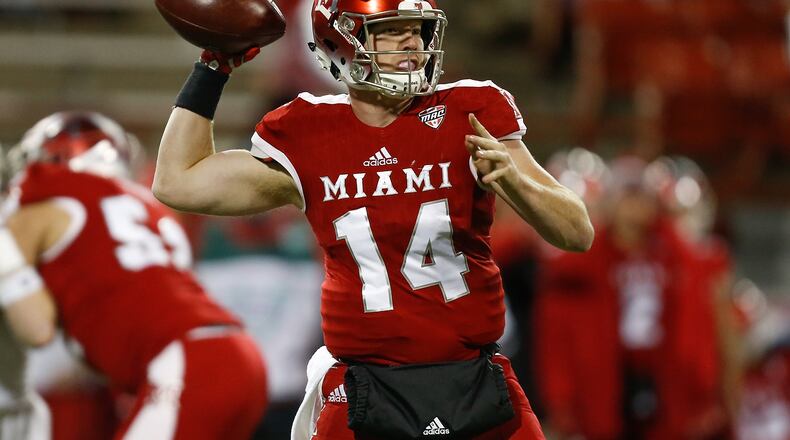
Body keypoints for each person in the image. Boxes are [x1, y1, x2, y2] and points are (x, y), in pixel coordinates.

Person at [154, 1, 593, 438]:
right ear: (341, 40)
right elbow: (179, 182)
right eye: (391, 29)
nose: (412, 42)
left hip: (473, 376)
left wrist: (518, 183)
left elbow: (577, 232)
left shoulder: (470, 111)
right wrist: (213, 69)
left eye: (418, 30)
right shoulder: (308, 132)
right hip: (364, 388)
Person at [0, 111, 268, 439]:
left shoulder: (42, 204)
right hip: (238, 355)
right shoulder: (153, 210)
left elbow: (36, 329)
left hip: (185, 364)